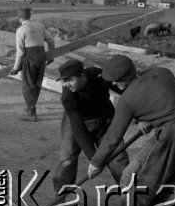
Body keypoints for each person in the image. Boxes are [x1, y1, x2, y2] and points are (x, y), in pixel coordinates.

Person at [88, 55, 175, 206]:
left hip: (171, 134)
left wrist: (96, 162)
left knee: (139, 182)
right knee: (156, 179)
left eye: (117, 81)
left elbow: (113, 136)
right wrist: (152, 117)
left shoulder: (128, 98)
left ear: (127, 77)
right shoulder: (161, 72)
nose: (115, 85)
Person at [52, 59, 129, 197]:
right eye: (63, 81)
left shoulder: (98, 76)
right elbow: (78, 128)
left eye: (70, 80)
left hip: (104, 120)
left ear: (82, 76)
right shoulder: (68, 96)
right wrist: (94, 159)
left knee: (118, 157)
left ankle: (135, 198)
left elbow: (123, 88)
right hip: (76, 122)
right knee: (67, 159)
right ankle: (61, 196)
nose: (66, 85)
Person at [9, 7, 55, 122]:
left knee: (28, 84)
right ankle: (30, 107)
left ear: (19, 17)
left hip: (30, 56)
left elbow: (20, 53)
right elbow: (50, 40)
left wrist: (15, 68)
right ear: (29, 16)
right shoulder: (39, 26)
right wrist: (51, 56)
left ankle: (31, 113)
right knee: (37, 82)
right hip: (41, 54)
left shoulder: (21, 30)